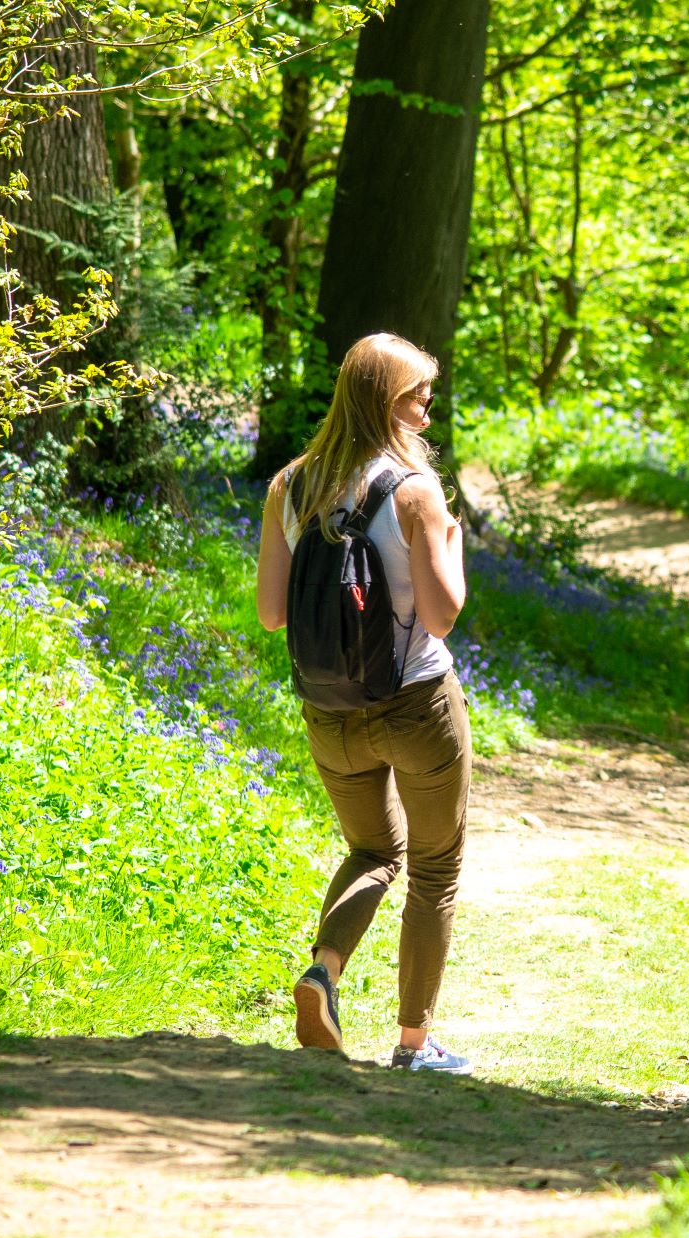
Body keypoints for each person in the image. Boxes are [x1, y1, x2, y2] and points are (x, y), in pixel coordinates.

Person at [255, 332, 474, 1075]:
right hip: (416, 702)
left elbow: (271, 614)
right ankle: (415, 1044)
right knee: (435, 867)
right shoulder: (413, 490)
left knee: (373, 851)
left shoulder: (290, 484)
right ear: (386, 400)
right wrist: (451, 542)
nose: (427, 406)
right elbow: (443, 615)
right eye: (418, 394)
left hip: (330, 710)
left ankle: (324, 972)